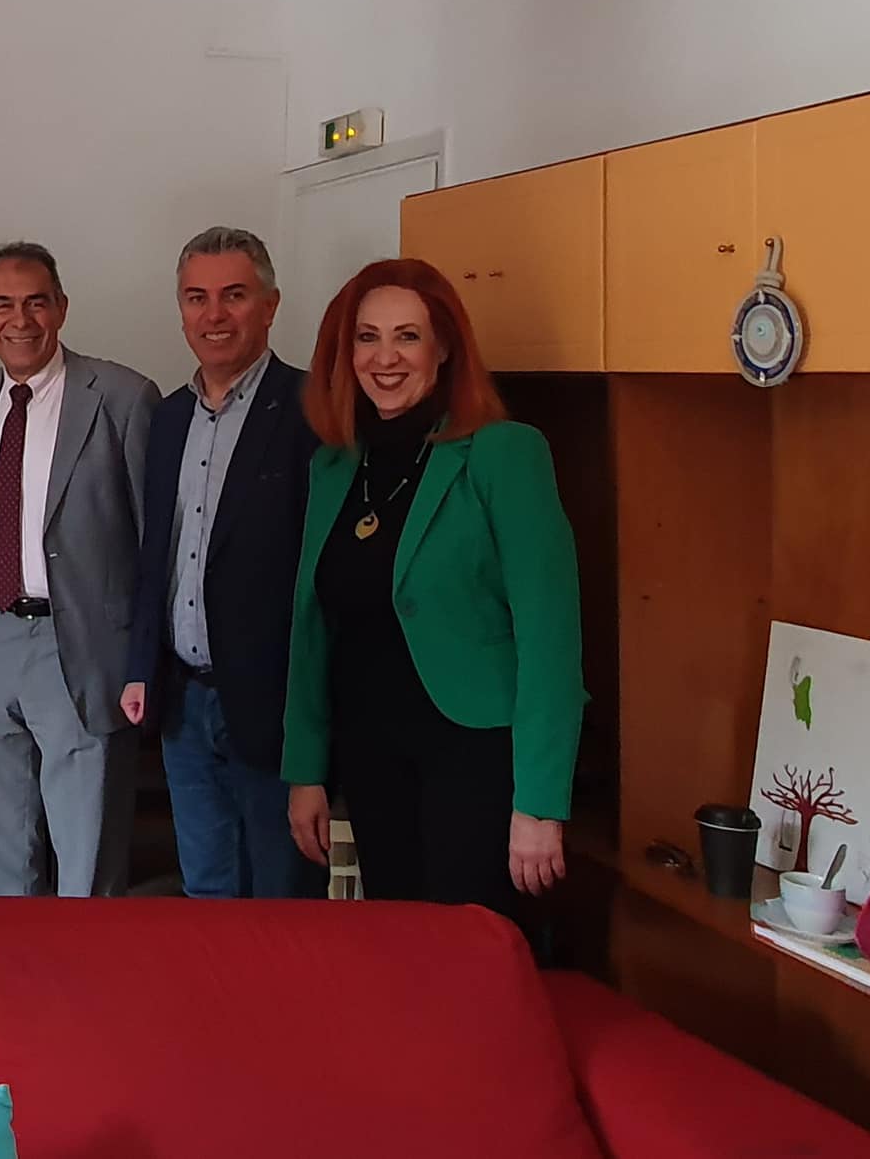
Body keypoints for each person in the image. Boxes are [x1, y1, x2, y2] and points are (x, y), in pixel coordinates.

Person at [285, 259, 585, 917]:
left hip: (474, 758)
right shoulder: (335, 465)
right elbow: (314, 631)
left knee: (472, 948)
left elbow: (551, 641)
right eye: (367, 337)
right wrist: (306, 770)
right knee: (401, 945)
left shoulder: (505, 453)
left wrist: (540, 804)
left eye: (408, 336)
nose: (385, 358)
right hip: (370, 756)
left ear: (444, 348)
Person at [0, 243, 157, 896]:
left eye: (35, 303)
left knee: (86, 857)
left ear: (62, 308)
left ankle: (85, 963)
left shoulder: (122, 397)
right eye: (2, 305)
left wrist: (141, 658)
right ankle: (8, 961)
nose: (19, 320)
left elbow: (153, 541)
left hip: (79, 644)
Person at [121, 227, 324, 900]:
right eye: (196, 298)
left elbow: (323, 578)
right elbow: (155, 554)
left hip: (273, 708)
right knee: (206, 893)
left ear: (270, 306)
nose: (214, 315)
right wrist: (142, 668)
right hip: (184, 702)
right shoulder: (168, 417)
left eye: (234, 295)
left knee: (280, 899)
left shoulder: (313, 411)